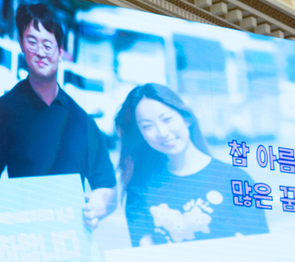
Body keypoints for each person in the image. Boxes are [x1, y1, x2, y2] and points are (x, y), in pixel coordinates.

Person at [0, 4, 116, 229]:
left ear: (60, 52)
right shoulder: (5, 110)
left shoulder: (82, 122)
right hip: (21, 235)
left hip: (70, 239)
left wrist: (99, 204)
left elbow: (107, 186)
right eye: (32, 42)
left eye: (48, 45)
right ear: (21, 44)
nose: (40, 52)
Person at [113, 83, 268, 246]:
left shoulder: (235, 180)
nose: (162, 132)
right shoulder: (140, 189)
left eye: (167, 119)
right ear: (141, 134)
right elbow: (144, 255)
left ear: (186, 118)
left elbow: (259, 248)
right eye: (147, 126)